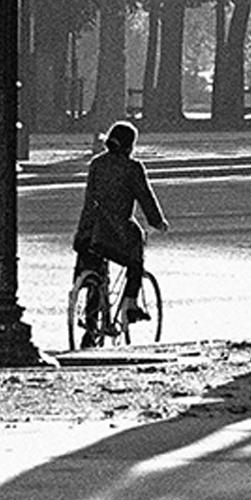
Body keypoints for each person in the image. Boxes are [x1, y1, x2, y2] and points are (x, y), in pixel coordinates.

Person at [71, 120, 167, 337]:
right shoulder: (133, 168)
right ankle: (131, 305)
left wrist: (82, 232)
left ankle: (91, 323)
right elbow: (145, 197)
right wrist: (157, 221)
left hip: (94, 229)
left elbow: (89, 201)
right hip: (118, 230)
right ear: (129, 145)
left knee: (96, 270)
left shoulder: (96, 164)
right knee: (136, 257)